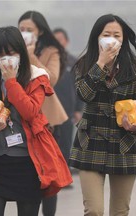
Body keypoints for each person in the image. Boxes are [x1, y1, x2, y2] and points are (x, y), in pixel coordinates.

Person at [0, 26, 72, 216]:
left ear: (21, 52)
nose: (5, 59)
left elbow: (31, 112)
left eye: (10, 53)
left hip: (29, 163)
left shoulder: (36, 77)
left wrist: (10, 82)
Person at [69, 14, 136, 216]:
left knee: (120, 211)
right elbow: (84, 94)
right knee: (94, 210)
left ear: (123, 40)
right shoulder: (84, 65)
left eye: (116, 35)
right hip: (90, 143)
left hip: (123, 145)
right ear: (97, 37)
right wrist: (101, 63)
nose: (111, 39)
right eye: (106, 34)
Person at [18, 11, 68, 216]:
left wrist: (31, 58)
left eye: (29, 30)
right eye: (21, 29)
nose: (25, 33)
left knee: (48, 172)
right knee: (27, 173)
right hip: (23, 116)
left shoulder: (51, 50)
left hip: (47, 119)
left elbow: (52, 79)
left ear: (39, 31)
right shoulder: (13, 49)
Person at [53, 27, 84, 164]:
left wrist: (78, 109)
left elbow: (79, 87)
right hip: (50, 110)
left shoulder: (73, 62)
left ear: (66, 41)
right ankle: (51, 177)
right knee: (51, 144)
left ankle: (64, 175)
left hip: (68, 110)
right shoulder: (46, 61)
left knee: (66, 142)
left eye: (60, 39)